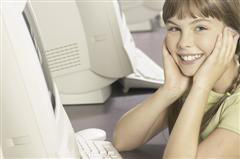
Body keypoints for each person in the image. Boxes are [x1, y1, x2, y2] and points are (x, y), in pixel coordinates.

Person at [113, 0, 240, 158]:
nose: (183, 43)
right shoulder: (190, 82)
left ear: (233, 36)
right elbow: (122, 140)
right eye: (174, 28)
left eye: (200, 28)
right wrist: (170, 89)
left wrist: (201, 86)